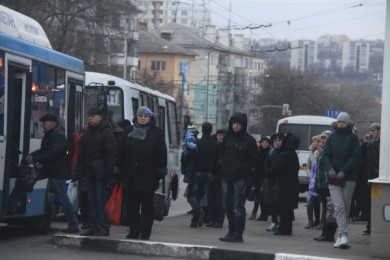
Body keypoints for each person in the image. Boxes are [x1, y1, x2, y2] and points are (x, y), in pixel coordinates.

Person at [9, 114, 79, 233]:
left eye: (45, 122)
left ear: (53, 123)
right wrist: (32, 155)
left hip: (57, 171)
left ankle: (74, 225)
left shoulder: (59, 135)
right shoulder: (50, 134)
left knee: (63, 198)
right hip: (47, 169)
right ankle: (11, 207)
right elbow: (44, 150)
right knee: (23, 181)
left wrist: (36, 158)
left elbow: (54, 152)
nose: (43, 125)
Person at [118, 106, 167, 240]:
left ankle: (145, 233)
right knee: (132, 207)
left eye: (145, 116)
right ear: (136, 117)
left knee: (147, 208)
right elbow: (121, 152)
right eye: (140, 116)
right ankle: (133, 231)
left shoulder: (156, 133)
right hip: (130, 176)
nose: (143, 118)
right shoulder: (128, 131)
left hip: (148, 176)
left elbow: (162, 153)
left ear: (150, 118)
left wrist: (159, 171)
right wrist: (119, 169)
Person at [76, 108, 117, 236]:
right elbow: (82, 153)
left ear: (100, 117)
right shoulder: (89, 132)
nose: (90, 118)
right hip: (89, 172)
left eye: (92, 116)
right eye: (89, 115)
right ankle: (93, 226)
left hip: (101, 173)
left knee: (100, 201)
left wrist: (108, 173)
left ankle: (104, 227)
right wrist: (78, 171)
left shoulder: (106, 132)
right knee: (91, 201)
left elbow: (111, 154)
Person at [323, 112, 361, 249]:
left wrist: (344, 171)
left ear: (348, 123)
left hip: (349, 177)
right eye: (339, 122)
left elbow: (356, 156)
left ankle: (341, 236)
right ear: (336, 123)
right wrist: (330, 169)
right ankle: (344, 234)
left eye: (343, 122)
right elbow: (325, 154)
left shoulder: (353, 138)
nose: (341, 124)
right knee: (338, 207)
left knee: (345, 207)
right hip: (333, 177)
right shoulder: (332, 137)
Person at [219, 112, 258, 243]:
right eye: (233, 123)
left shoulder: (249, 140)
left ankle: (238, 232)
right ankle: (231, 230)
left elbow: (253, 160)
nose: (235, 126)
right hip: (226, 176)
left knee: (238, 206)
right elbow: (221, 153)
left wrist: (240, 168)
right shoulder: (227, 138)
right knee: (226, 205)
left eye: (238, 124)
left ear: (243, 125)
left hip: (240, 178)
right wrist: (222, 166)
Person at [184, 122, 220, 228]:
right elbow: (217, 160)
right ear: (211, 130)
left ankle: (198, 211)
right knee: (200, 195)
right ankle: (195, 221)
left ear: (202, 130)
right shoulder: (215, 144)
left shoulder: (197, 143)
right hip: (209, 174)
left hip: (196, 173)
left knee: (191, 195)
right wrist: (213, 172)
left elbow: (188, 157)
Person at [268, 133, 300, 235]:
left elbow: (274, 170)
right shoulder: (294, 154)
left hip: (283, 184)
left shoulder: (283, 155)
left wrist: (269, 171)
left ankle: (283, 229)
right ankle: (287, 229)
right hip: (293, 184)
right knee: (288, 209)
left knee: (282, 209)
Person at [314, 129, 338, 242]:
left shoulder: (331, 151)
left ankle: (328, 234)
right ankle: (325, 233)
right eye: (322, 138)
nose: (322, 140)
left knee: (330, 210)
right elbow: (318, 170)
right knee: (326, 209)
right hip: (322, 185)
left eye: (325, 138)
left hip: (329, 184)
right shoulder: (322, 151)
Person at [206, 128, 227, 228]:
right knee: (211, 199)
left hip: (222, 176)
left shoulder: (227, 147)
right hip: (212, 175)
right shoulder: (213, 145)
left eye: (223, 135)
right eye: (220, 135)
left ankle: (219, 220)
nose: (221, 137)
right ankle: (211, 219)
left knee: (220, 200)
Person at [363, 122, 380, 235]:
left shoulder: (382, 143)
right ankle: (369, 225)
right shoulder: (370, 144)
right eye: (370, 131)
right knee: (371, 202)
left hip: (378, 175)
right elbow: (364, 158)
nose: (371, 133)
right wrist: (364, 143)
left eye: (373, 130)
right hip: (373, 176)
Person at [264, 133, 284, 231]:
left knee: (280, 203)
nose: (277, 142)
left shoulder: (284, 152)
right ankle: (274, 221)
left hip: (281, 181)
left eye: (279, 140)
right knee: (272, 203)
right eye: (275, 141)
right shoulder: (271, 152)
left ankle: (280, 221)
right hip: (272, 181)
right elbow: (267, 165)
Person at [249, 137, 271, 221]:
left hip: (266, 177)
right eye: (263, 142)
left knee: (264, 197)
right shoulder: (258, 153)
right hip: (257, 177)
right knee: (257, 195)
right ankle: (254, 212)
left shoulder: (270, 153)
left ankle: (264, 214)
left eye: (266, 142)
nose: (264, 144)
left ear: (269, 144)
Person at [305, 135, 322, 229]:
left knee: (318, 202)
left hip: (320, 181)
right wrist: (309, 175)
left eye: (315, 141)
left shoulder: (321, 153)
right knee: (309, 201)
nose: (313, 143)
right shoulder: (311, 154)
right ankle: (310, 221)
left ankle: (318, 220)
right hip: (312, 182)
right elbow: (308, 166)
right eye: (313, 142)